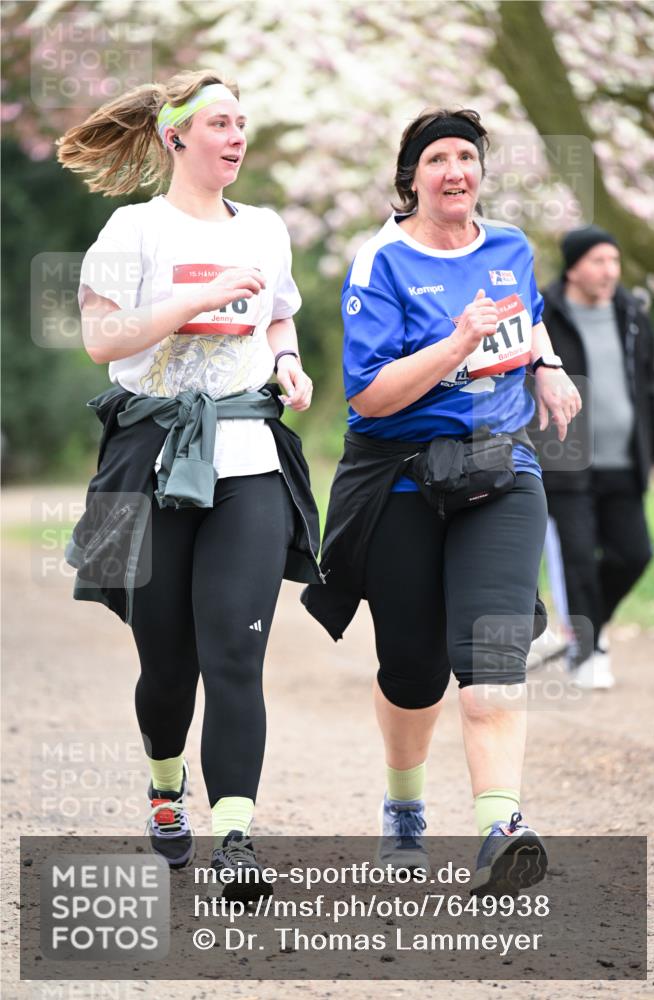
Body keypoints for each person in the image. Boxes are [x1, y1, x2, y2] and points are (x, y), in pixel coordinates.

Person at [303, 108, 581, 894]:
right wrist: (456, 345)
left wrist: (547, 365)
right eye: (437, 160)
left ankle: (501, 827)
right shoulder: (381, 262)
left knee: (490, 661)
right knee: (413, 670)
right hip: (399, 476)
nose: (455, 171)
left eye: (466, 157)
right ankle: (404, 807)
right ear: (410, 178)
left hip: (499, 470)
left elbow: (524, 320)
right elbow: (372, 395)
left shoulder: (509, 247)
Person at [57, 69, 322, 894]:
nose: (236, 136)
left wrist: (287, 362)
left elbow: (277, 312)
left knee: (235, 655)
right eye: (218, 122)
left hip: (246, 456)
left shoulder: (268, 229)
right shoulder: (132, 230)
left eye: (242, 121)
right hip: (151, 458)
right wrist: (198, 296)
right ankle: (165, 784)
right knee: (167, 665)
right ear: (176, 137)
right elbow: (102, 342)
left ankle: (235, 837)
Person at [536, 225, 654, 689]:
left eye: (613, 261)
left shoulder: (632, 313)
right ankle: (587, 652)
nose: (610, 271)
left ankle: (587, 630)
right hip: (566, 455)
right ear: (573, 267)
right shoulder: (544, 314)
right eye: (598, 261)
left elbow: (650, 384)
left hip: (626, 459)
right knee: (578, 558)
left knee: (634, 553)